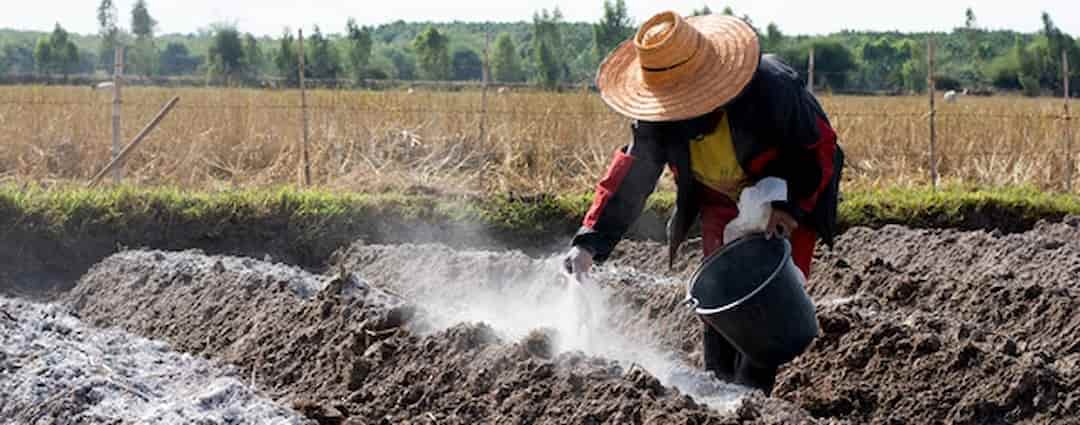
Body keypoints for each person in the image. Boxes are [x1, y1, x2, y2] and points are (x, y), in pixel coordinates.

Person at [563, 11, 843, 394]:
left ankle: (752, 402)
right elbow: (634, 174)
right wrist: (590, 241)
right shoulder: (659, 116)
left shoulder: (772, 90)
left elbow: (819, 152)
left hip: (786, 194)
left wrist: (789, 208)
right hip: (719, 201)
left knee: (764, 308)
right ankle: (718, 394)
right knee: (722, 304)